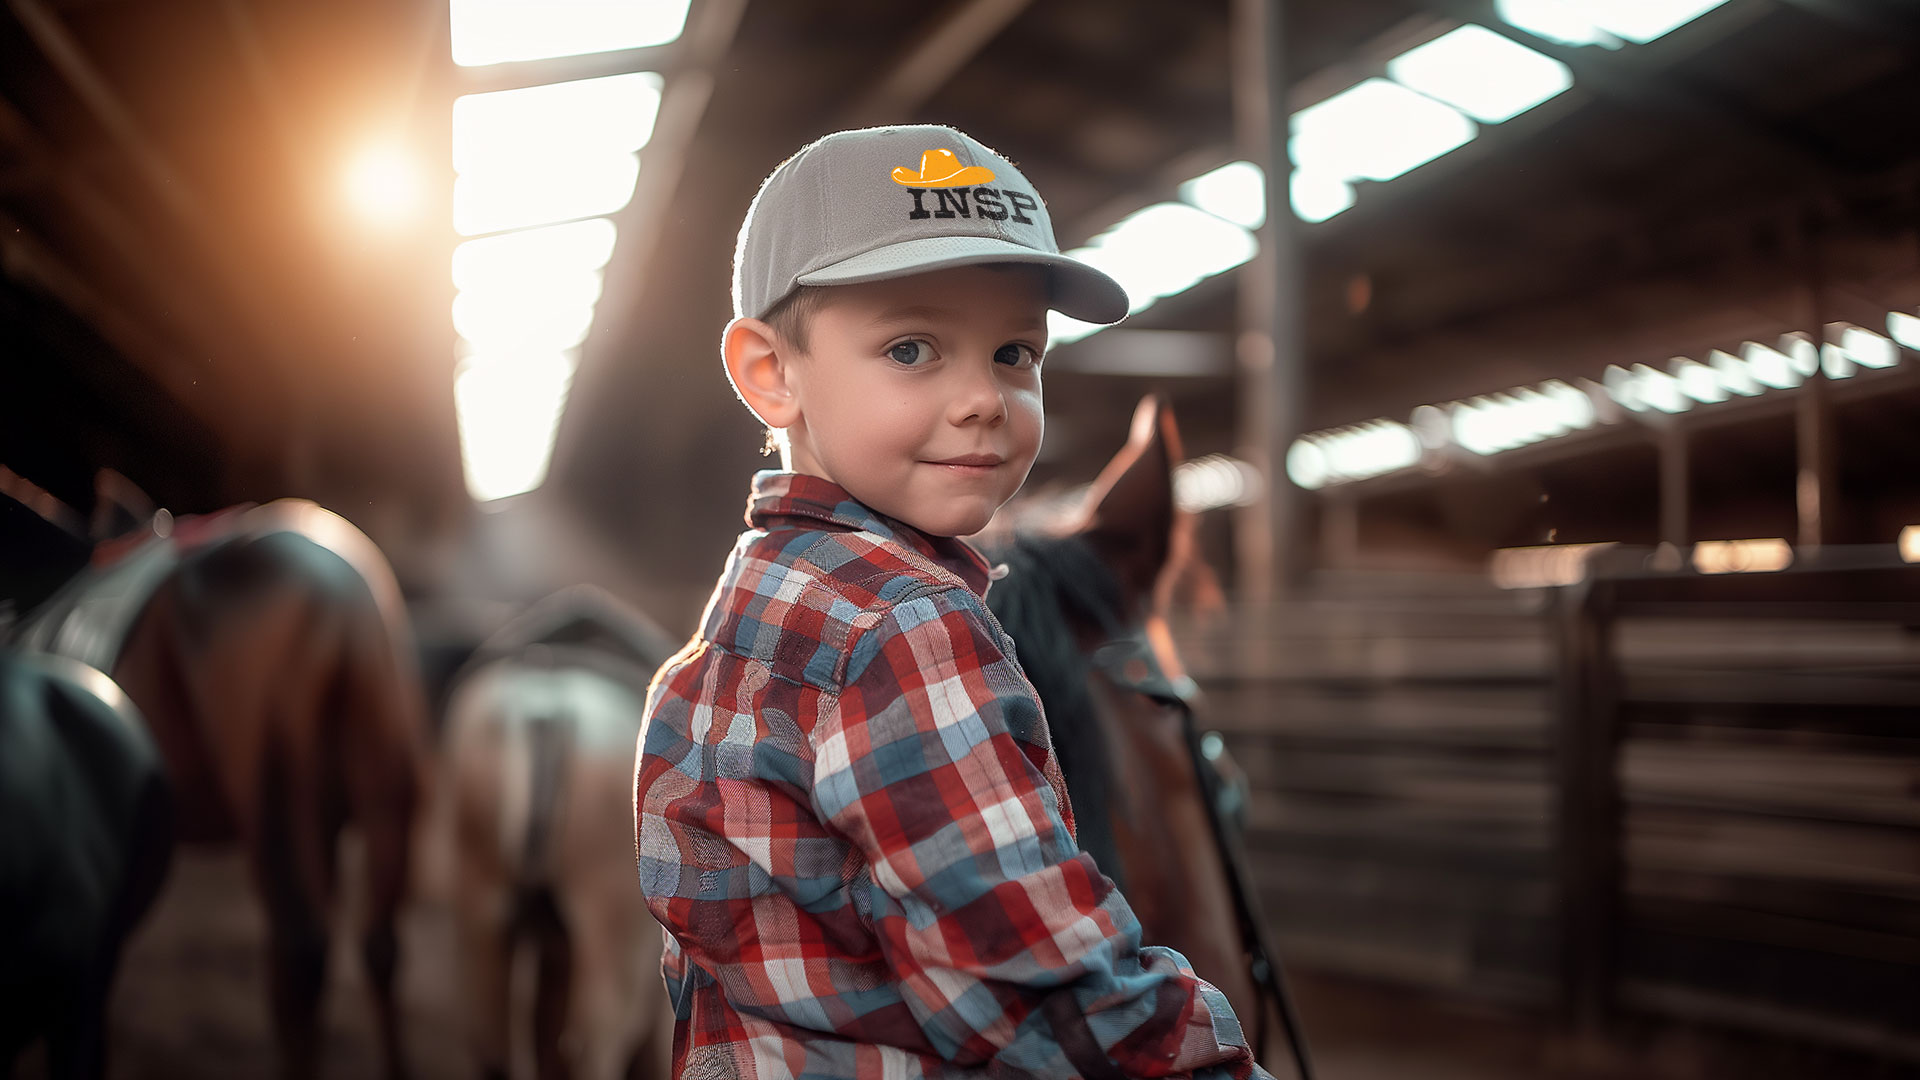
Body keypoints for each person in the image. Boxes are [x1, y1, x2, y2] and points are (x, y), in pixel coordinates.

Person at [634, 124, 1267, 1079]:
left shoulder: (724, 638)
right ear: (772, 372)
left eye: (1016, 352)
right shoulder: (909, 625)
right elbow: (1041, 985)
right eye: (913, 347)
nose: (983, 398)